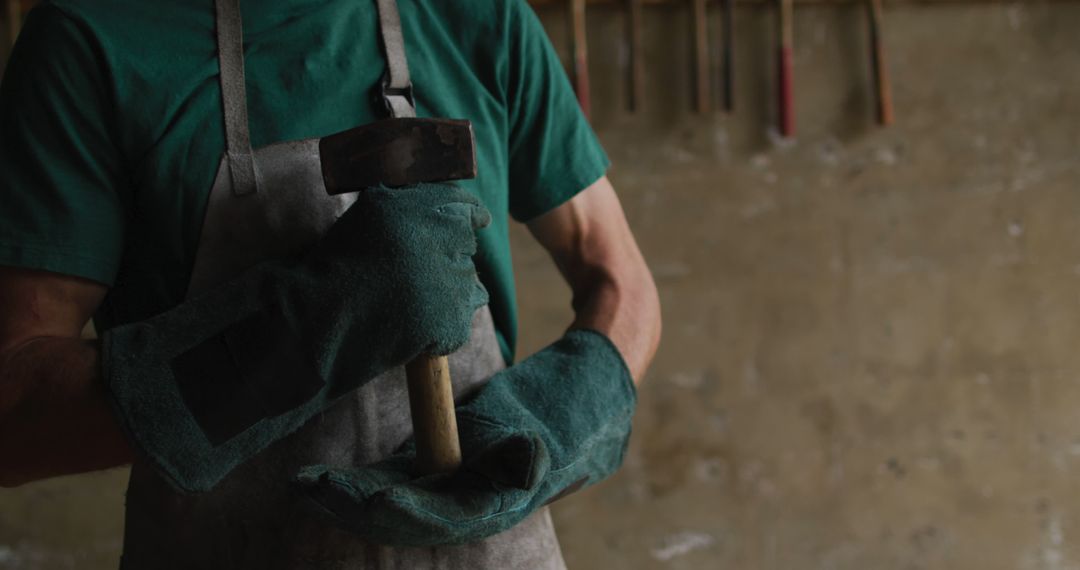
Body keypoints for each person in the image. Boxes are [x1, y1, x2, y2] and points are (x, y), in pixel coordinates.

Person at [0, 0, 661, 567]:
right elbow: (14, 409)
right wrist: (302, 329)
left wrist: (551, 419)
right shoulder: (90, 38)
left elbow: (620, 278)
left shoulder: (477, 14)